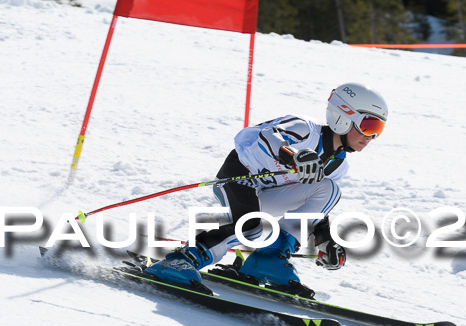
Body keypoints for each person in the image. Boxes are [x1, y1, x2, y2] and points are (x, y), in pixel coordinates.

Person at [145, 82, 388, 296]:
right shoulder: (305, 128)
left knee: (329, 189)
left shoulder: (338, 165)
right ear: (343, 116)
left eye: (378, 130)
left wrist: (325, 240)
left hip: (268, 195)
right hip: (239, 176)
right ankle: (180, 261)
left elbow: (316, 207)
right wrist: (294, 156)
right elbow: (267, 136)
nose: (371, 136)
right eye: (368, 125)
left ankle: (267, 260)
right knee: (252, 227)